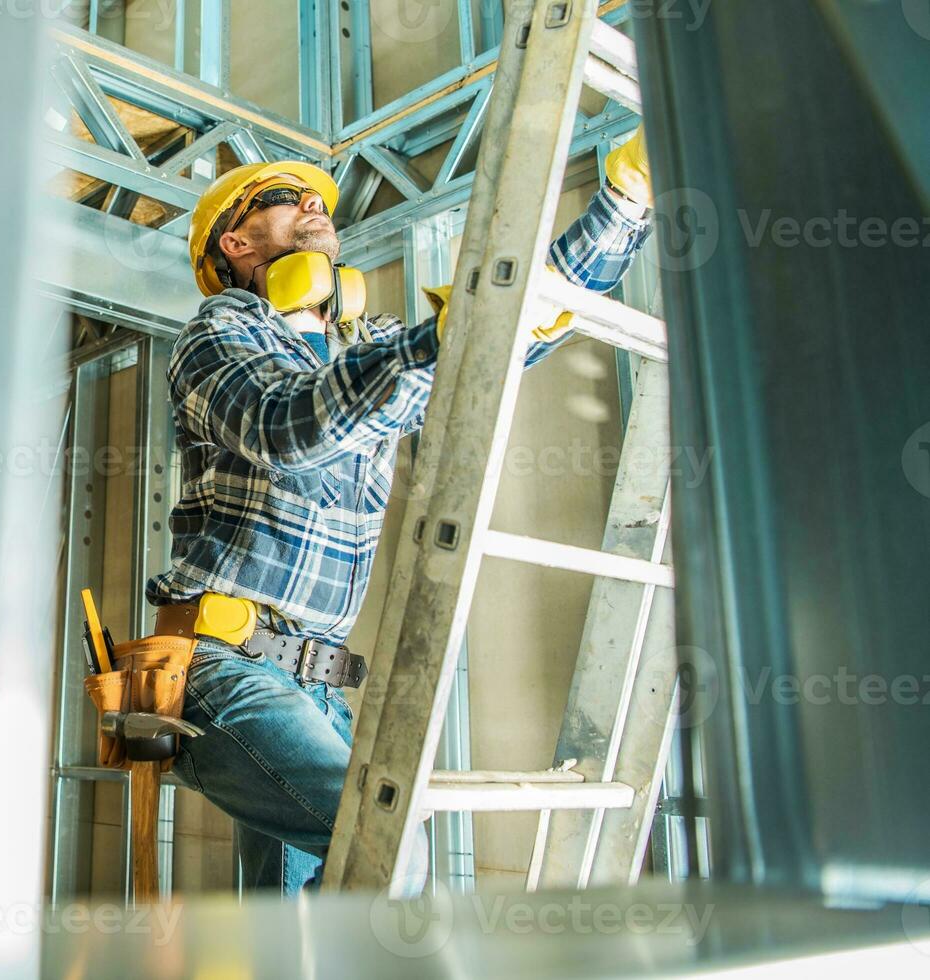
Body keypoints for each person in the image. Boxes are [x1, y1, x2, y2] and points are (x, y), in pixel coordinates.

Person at [145, 130, 656, 896]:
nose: (317, 204)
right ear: (238, 239)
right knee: (384, 852)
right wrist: (440, 343)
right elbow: (289, 428)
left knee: (292, 918)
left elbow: (507, 333)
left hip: (316, 680)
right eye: (288, 198)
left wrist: (624, 201)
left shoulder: (366, 347)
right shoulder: (218, 332)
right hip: (221, 664)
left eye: (320, 199)